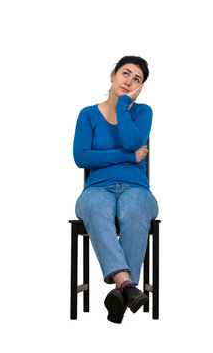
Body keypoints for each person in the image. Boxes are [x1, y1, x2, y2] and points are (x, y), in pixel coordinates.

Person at [73, 56, 159, 323]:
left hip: (137, 189)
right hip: (96, 189)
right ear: (112, 75)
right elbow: (82, 158)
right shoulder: (88, 114)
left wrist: (124, 105)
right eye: (126, 73)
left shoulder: (142, 112)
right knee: (98, 207)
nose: (129, 81)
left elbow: (133, 139)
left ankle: (120, 291)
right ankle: (127, 287)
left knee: (133, 209)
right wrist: (127, 157)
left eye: (137, 80)